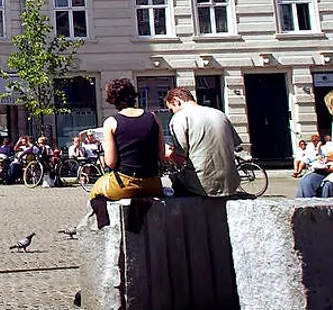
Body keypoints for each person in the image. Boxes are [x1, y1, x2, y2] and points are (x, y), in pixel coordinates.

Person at [88, 78, 166, 226]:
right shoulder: (153, 117)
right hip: (153, 183)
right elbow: (161, 155)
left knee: (95, 192)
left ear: (112, 99)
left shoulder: (112, 122)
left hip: (124, 184)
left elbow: (111, 163)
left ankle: (105, 229)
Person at [162, 87, 242, 198]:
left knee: (173, 185)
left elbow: (179, 158)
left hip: (201, 186)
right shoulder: (220, 114)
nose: (172, 112)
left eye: (171, 109)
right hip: (231, 185)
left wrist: (165, 152)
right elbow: (235, 144)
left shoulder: (179, 118)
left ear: (176, 101)